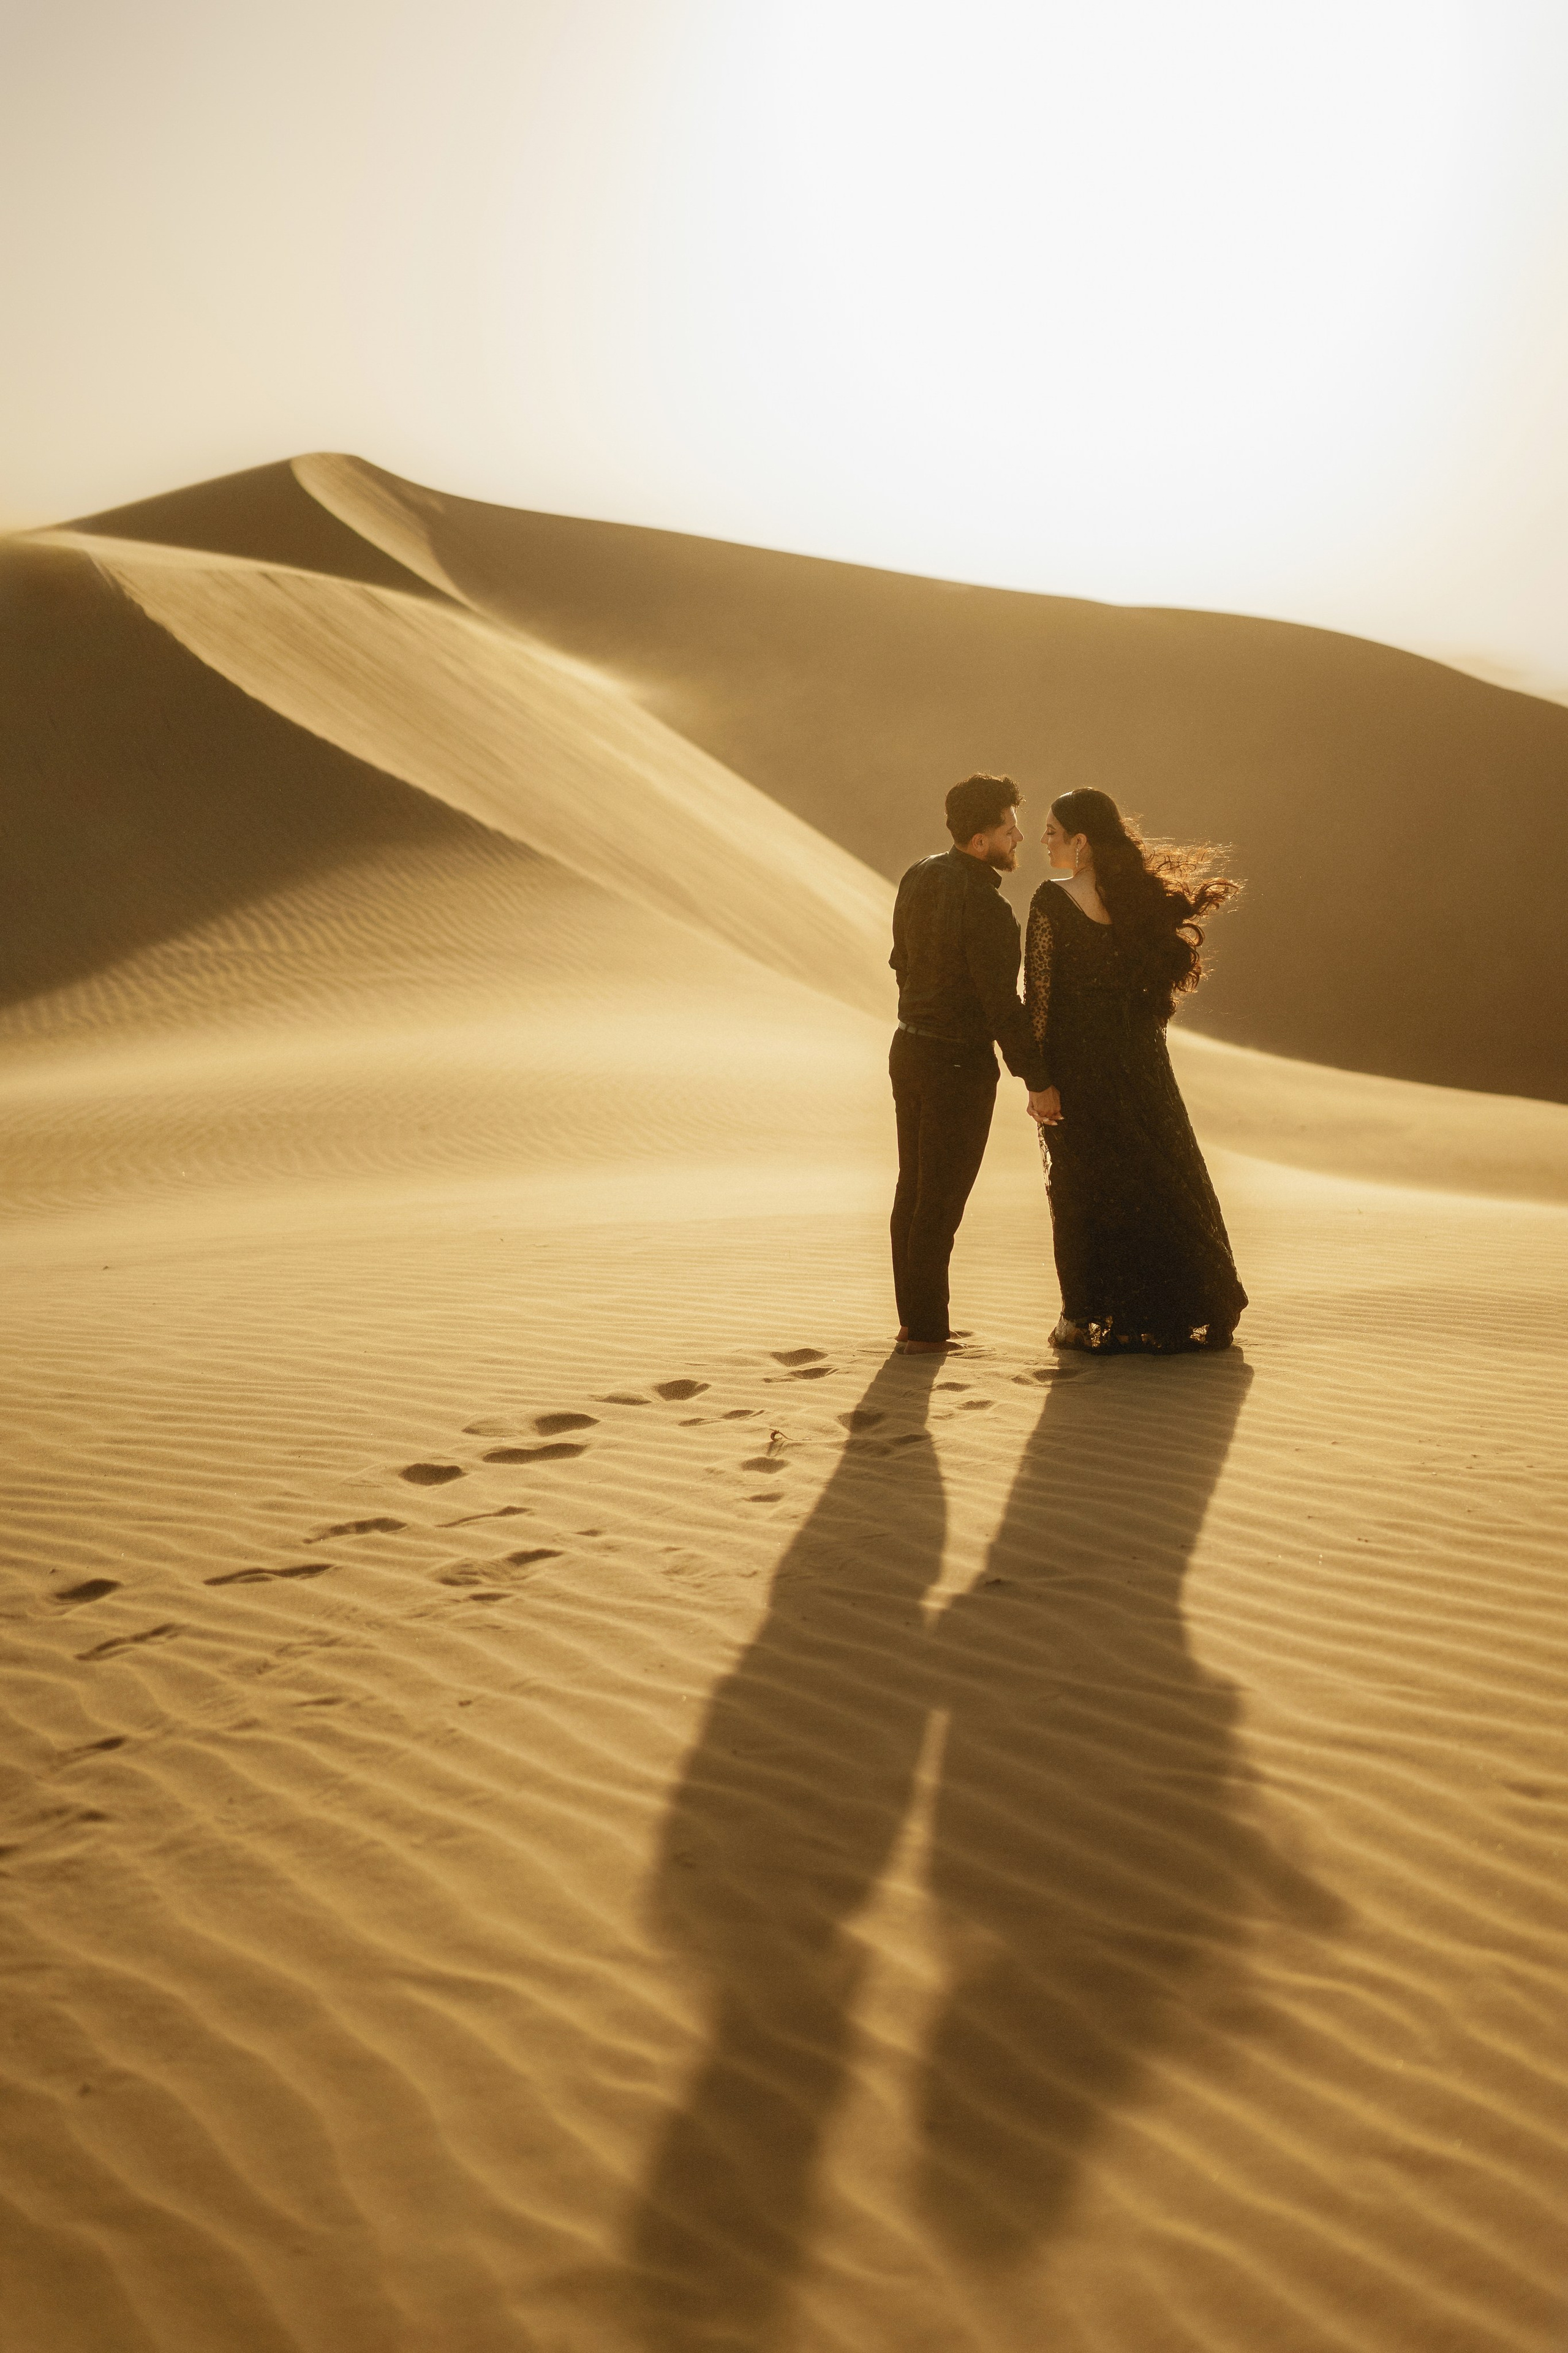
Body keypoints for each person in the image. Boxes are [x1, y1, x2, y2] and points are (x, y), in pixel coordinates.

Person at [1025, 786, 1247, 1353]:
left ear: (1081, 841)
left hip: (1079, 1071)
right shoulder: (1137, 900)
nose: (1044, 839)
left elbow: (1041, 1001)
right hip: (1143, 1065)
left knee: (1084, 1191)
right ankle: (1169, 1309)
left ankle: (1085, 1318)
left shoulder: (1052, 901)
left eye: (1052, 830)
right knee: (1157, 1175)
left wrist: (1039, 1079)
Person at [889, 775, 1055, 1354]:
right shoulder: (987, 907)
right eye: (1008, 827)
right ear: (980, 841)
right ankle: (929, 1332)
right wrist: (1037, 1077)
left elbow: (900, 961)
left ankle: (915, 1319)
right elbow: (1001, 1005)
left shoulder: (917, 875)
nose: (1018, 835)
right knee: (940, 1199)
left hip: (907, 1048)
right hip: (956, 1062)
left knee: (913, 1187)